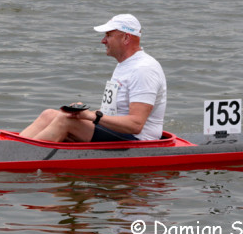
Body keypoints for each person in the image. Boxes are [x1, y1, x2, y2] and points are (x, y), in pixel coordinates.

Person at [20, 14, 168, 143]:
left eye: (108, 35)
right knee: (50, 114)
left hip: (139, 140)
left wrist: (92, 116)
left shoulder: (144, 69)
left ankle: (20, 159)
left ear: (125, 38)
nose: (103, 41)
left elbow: (136, 125)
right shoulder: (125, 65)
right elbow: (114, 111)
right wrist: (81, 113)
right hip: (118, 131)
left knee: (65, 121)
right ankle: (10, 148)